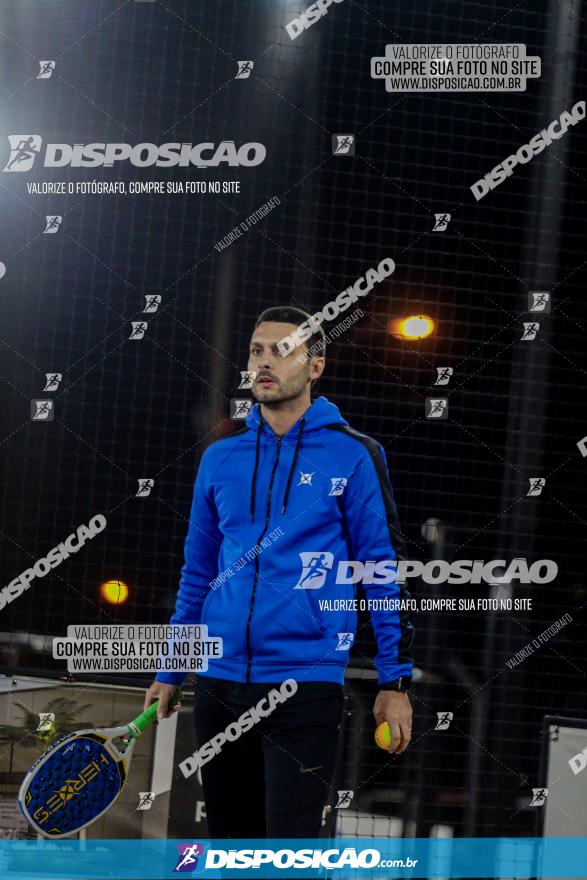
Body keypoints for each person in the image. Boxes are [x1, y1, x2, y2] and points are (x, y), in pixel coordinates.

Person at [144, 306, 415, 839]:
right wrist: (171, 667)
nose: (265, 362)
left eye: (283, 350)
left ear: (316, 367)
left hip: (305, 686)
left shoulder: (355, 455)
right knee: (231, 849)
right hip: (218, 684)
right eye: (256, 351)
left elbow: (382, 573)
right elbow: (198, 574)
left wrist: (394, 681)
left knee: (287, 857)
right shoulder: (220, 457)